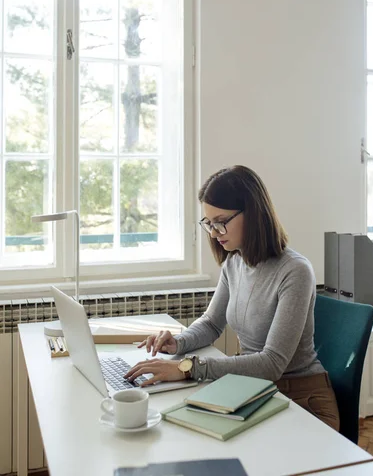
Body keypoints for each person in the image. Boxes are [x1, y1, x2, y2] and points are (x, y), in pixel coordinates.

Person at [124, 165, 340, 430]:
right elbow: (212, 324)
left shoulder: (295, 271)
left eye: (221, 222)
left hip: (301, 398)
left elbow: (271, 363)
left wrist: (187, 368)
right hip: (255, 390)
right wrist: (177, 344)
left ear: (254, 214)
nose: (214, 233)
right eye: (209, 223)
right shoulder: (234, 262)